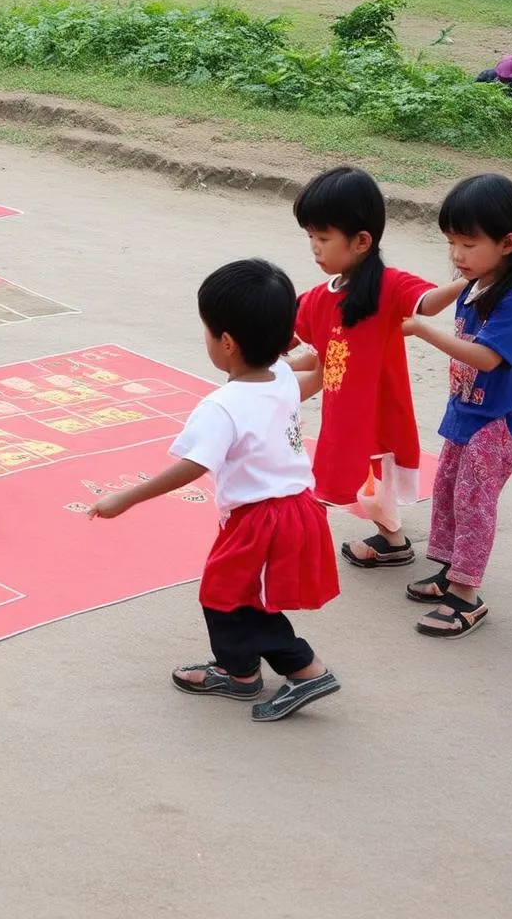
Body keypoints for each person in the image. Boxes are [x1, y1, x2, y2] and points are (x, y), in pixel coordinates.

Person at [88, 259, 341, 722]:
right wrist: (319, 354)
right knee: (232, 594)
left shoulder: (222, 406)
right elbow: (309, 373)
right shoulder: (281, 378)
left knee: (228, 597)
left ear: (226, 343)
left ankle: (305, 668)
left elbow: (192, 466)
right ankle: (240, 672)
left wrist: (126, 497)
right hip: (296, 508)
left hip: (263, 517)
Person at [289, 167, 466, 569]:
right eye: (310, 238)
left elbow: (431, 302)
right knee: (358, 478)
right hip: (343, 413)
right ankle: (393, 541)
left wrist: (473, 279)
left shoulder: (389, 286)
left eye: (323, 238)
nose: (315, 248)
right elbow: (309, 347)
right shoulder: (318, 298)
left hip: (377, 412)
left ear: (362, 241)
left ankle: (385, 540)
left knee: (368, 475)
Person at [402, 175, 512, 637]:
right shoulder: (479, 282)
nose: (457, 256)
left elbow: (486, 357)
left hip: (494, 425)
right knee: (447, 491)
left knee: (474, 503)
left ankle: (467, 596)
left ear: (508, 243)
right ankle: (449, 571)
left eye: (468, 244)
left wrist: (425, 332)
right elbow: (428, 304)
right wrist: (450, 287)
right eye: (451, 243)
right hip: (465, 414)